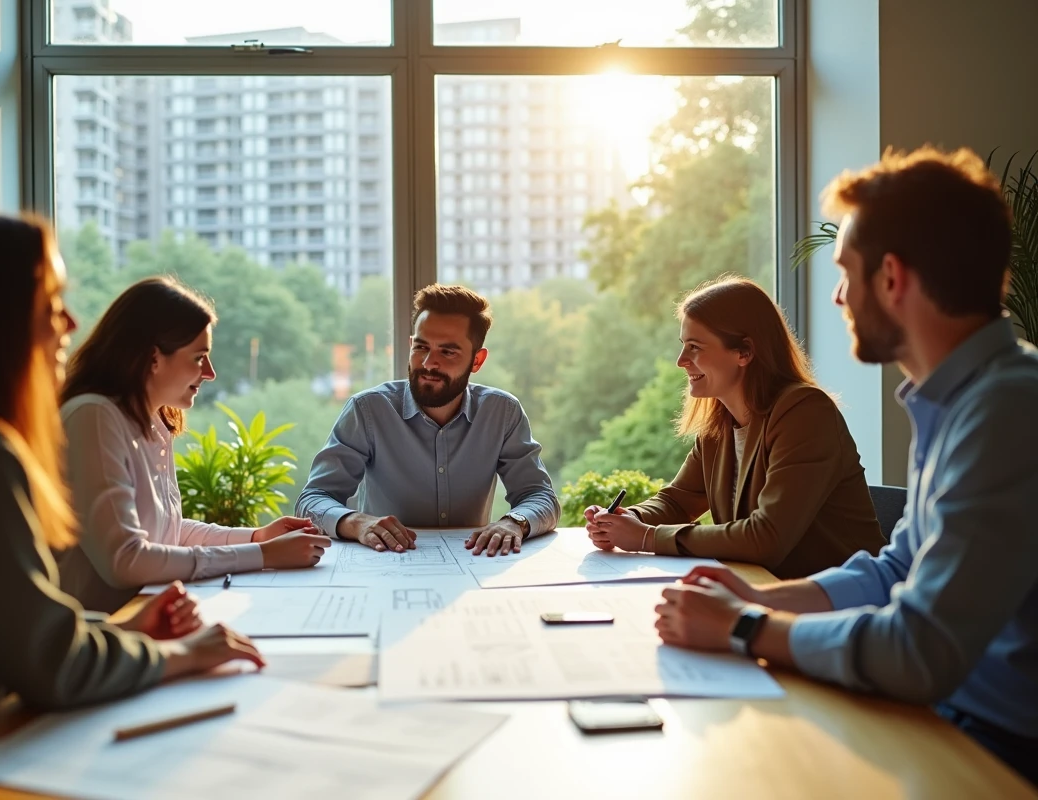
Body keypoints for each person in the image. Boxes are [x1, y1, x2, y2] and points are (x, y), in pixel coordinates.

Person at [0, 212, 263, 797]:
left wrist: (116, 630)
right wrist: (184, 656)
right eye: (51, 300)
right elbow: (49, 663)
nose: (71, 321)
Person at [655, 147, 1038, 786]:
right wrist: (760, 597)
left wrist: (748, 626)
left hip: (996, 748)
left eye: (845, 273)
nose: (838, 296)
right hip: (947, 717)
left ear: (891, 278)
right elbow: (897, 567)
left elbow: (920, 652)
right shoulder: (959, 400)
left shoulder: (1007, 411)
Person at [58, 277, 331, 613]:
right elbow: (125, 559)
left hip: (145, 616)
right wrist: (263, 556)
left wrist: (258, 537)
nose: (210, 373)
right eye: (199, 357)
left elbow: (169, 533)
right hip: (101, 635)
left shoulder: (152, 423)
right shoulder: (93, 417)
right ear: (153, 358)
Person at [584, 276, 883, 579]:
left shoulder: (805, 412)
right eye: (682, 346)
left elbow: (766, 538)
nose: (681, 361)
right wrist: (625, 519)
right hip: (766, 592)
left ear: (744, 352)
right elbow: (678, 501)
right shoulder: (720, 423)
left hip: (840, 605)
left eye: (695, 347)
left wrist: (647, 537)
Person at [297, 283, 560, 556]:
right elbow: (312, 500)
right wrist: (355, 523)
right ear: (411, 345)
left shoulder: (502, 413)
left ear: (477, 361)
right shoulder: (368, 410)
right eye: (421, 347)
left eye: (448, 352)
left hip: (471, 568)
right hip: (384, 567)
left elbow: (541, 497)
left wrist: (514, 523)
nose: (428, 363)